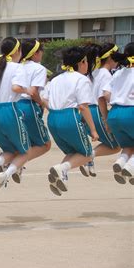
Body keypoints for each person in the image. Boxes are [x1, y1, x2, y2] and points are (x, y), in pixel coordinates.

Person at [42, 46, 99, 196]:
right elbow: (83, 106)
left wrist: (55, 110)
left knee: (73, 152)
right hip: (69, 117)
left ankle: (60, 176)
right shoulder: (82, 79)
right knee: (87, 154)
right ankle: (62, 169)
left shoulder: (56, 79)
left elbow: (44, 99)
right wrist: (93, 130)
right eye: (86, 61)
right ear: (81, 63)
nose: (88, 64)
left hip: (53, 118)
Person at [0, 37, 31, 191]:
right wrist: (27, 90)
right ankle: (3, 173)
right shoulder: (17, 67)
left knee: (11, 150)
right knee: (26, 151)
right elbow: (16, 88)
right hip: (10, 110)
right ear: (17, 51)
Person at [10, 39, 51, 183]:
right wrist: (42, 104)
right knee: (44, 144)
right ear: (35, 54)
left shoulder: (15, 66)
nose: (42, 54)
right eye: (41, 51)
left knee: (23, 141)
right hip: (28, 105)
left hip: (14, 106)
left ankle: (15, 164)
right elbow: (33, 92)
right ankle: (16, 164)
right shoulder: (38, 68)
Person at [80, 43, 120, 178]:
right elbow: (101, 98)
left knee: (114, 144)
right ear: (110, 57)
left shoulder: (94, 72)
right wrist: (106, 119)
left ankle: (88, 160)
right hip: (96, 111)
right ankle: (88, 156)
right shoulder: (105, 74)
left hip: (86, 112)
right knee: (116, 145)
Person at [103, 42, 134, 185]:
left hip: (114, 114)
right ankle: (130, 166)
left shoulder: (118, 73)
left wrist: (118, 99)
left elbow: (105, 94)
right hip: (131, 112)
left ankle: (121, 162)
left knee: (128, 146)